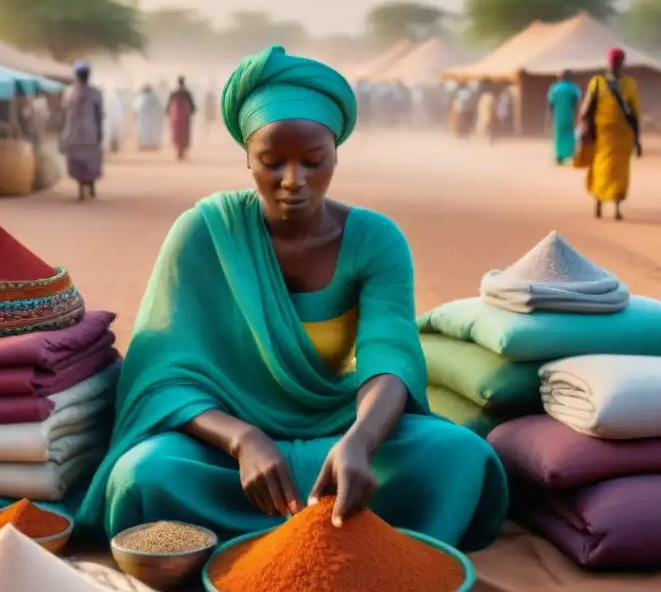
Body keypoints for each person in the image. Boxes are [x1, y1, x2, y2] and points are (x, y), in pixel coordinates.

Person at [76, 46, 508, 548]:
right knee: (144, 473)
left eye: (313, 161)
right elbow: (163, 376)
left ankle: (323, 514)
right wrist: (243, 439)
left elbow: (388, 357)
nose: (292, 181)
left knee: (456, 454)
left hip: (342, 433)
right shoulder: (204, 231)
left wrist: (362, 442)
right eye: (271, 161)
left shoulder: (375, 239)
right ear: (246, 158)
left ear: (336, 154)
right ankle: (322, 528)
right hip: (223, 451)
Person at [578, 48, 641, 221]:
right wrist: (637, 139)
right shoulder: (600, 82)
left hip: (620, 136)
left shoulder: (623, 84)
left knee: (610, 169)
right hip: (606, 134)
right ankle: (606, 205)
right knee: (608, 169)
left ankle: (609, 205)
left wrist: (637, 139)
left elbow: (633, 113)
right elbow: (587, 110)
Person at [61, 60, 105, 201]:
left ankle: (85, 186)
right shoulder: (95, 93)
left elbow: (64, 114)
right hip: (87, 133)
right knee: (86, 161)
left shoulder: (69, 92)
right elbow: (99, 116)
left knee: (80, 162)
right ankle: (87, 185)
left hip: (75, 133)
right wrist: (100, 132)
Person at [547, 71, 581, 164]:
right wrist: (576, 114)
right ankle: (571, 155)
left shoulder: (554, 88)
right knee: (570, 135)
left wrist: (552, 114)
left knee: (559, 136)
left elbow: (551, 103)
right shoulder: (572, 88)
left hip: (558, 116)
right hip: (569, 115)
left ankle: (559, 156)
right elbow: (576, 102)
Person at [166, 76, 197, 161]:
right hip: (185, 117)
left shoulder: (174, 93)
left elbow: (168, 106)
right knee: (184, 134)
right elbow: (192, 106)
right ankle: (182, 152)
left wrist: (169, 113)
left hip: (175, 117)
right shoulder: (187, 93)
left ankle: (179, 153)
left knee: (177, 134)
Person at [132, 84, 164, 151]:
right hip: (144, 119)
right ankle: (144, 145)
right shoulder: (141, 97)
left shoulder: (153, 97)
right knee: (143, 132)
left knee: (150, 132)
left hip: (150, 119)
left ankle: (152, 145)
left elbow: (159, 108)